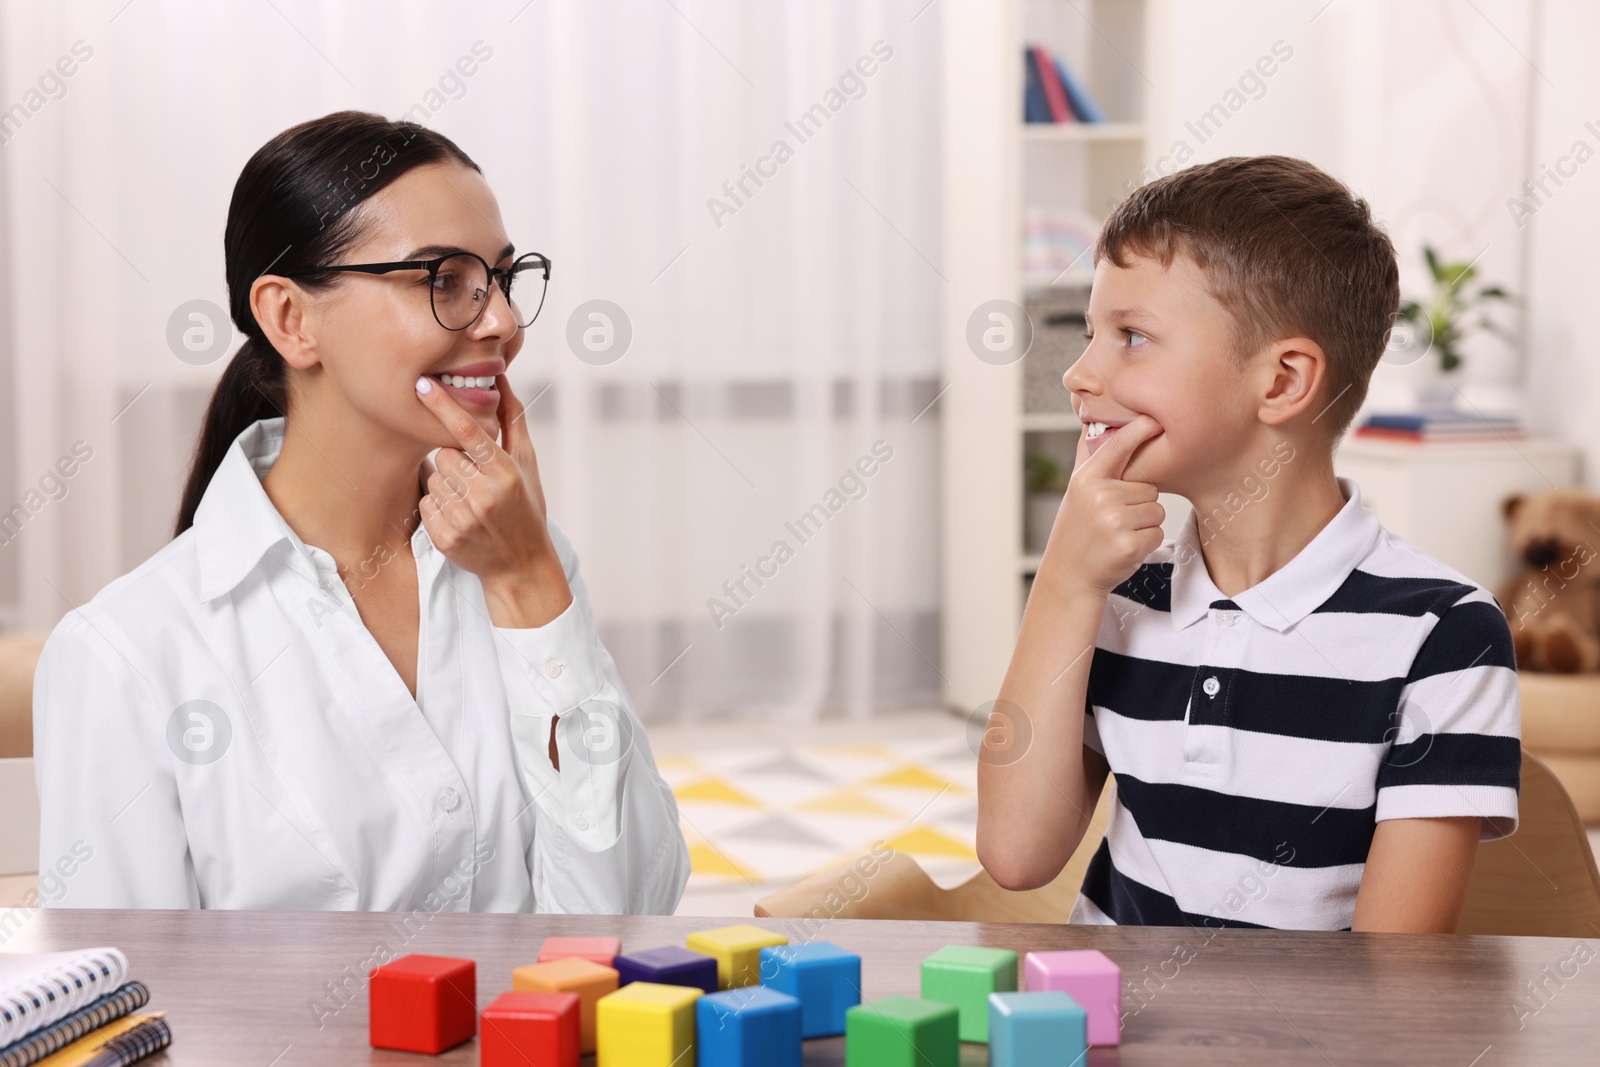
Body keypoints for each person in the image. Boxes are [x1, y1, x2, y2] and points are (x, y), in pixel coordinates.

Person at [33, 111, 690, 913]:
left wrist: (531, 586)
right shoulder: (129, 654)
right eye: (444, 279)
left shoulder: (525, 559)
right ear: (290, 319)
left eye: (504, 279)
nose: (504, 323)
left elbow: (630, 914)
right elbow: (133, 1010)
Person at [978, 155, 1520, 932]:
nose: (1078, 372)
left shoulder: (1447, 637)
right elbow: (1015, 853)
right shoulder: (1119, 597)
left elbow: (1395, 983)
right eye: (1091, 332)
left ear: (1282, 383)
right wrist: (1063, 583)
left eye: (1130, 336)